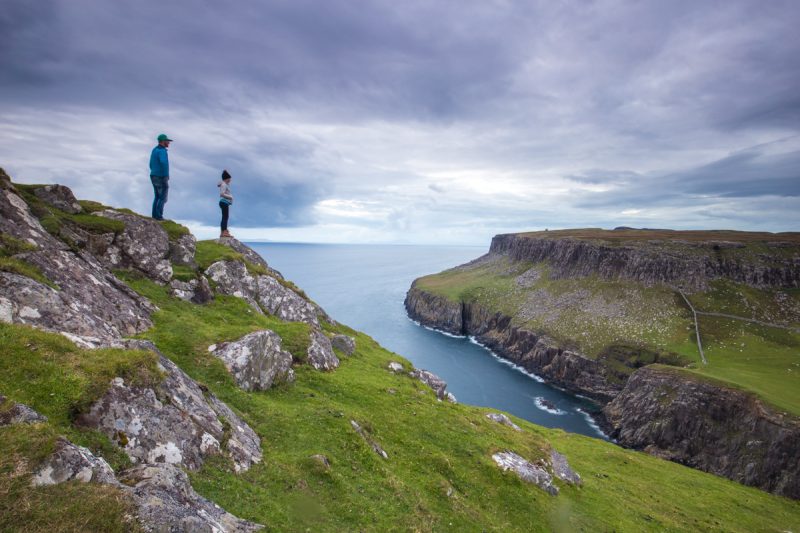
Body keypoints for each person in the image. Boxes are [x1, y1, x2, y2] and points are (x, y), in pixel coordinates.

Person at [149, 133, 172, 220]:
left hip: (153, 175)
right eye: (167, 141)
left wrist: (154, 171)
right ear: (163, 142)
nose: (168, 143)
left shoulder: (154, 150)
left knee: (157, 196)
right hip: (161, 176)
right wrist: (166, 175)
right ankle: (159, 217)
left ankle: (154, 215)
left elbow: (150, 164)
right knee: (162, 197)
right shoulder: (162, 151)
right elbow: (164, 163)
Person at [218, 169, 233, 238]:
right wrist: (230, 197)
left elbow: (221, 184)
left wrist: (225, 172)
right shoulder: (224, 185)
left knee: (224, 217)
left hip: (223, 202)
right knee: (225, 217)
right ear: (226, 179)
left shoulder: (224, 184)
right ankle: (224, 232)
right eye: (229, 179)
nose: (230, 180)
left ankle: (223, 232)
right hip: (224, 202)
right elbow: (222, 194)